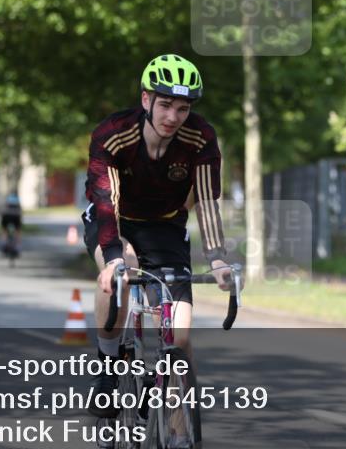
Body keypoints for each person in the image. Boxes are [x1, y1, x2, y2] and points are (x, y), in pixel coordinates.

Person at [81, 54, 235, 419]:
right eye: (165, 104)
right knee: (121, 272)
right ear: (146, 99)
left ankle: (177, 439)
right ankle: (108, 364)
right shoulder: (114, 133)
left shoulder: (201, 138)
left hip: (165, 226)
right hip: (114, 221)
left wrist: (216, 257)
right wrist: (114, 256)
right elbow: (107, 200)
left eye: (182, 109)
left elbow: (208, 201)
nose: (173, 117)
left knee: (179, 338)